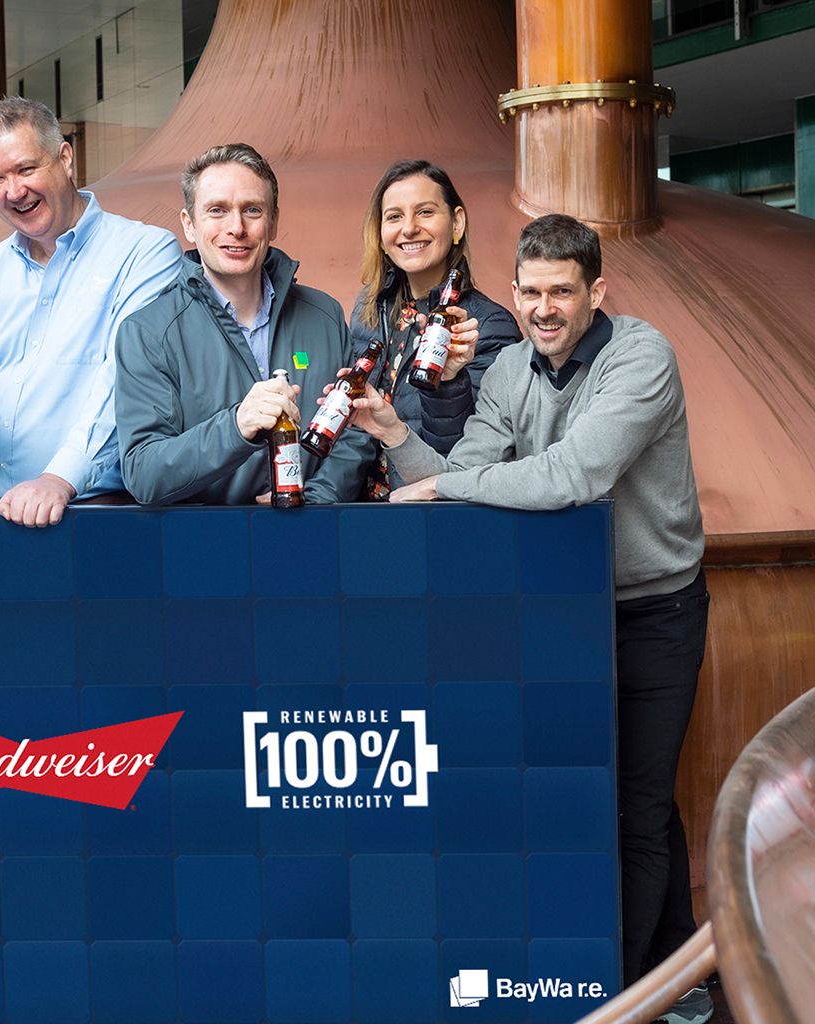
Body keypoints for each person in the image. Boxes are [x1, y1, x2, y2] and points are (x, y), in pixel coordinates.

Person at [351, 213, 711, 1024]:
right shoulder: (510, 367)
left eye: (562, 292)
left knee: (635, 804)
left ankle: (621, 1000)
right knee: (617, 795)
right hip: (562, 612)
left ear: (596, 292)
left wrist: (446, 487)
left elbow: (573, 476)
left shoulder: (641, 356)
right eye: (532, 292)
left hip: (654, 608)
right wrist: (397, 435)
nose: (545, 308)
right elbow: (466, 476)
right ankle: (677, 974)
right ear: (512, 294)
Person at [0, 96, 182, 527]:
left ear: (65, 158)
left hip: (102, 514)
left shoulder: (145, 252)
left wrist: (59, 479)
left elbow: (126, 385)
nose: (14, 191)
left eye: (26, 169)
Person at [113, 143, 377, 505]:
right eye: (217, 210)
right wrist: (236, 426)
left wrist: (316, 497)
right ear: (189, 224)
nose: (236, 228)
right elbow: (144, 474)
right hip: (212, 536)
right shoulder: (148, 333)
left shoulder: (324, 315)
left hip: (316, 529)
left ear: (274, 221)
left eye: (252, 210)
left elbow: (356, 430)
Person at [350, 159, 520, 497]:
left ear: (457, 223)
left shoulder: (488, 327)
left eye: (425, 212)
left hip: (427, 508)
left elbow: (465, 461)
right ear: (381, 235)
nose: (409, 228)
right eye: (394, 216)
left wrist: (447, 384)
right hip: (360, 508)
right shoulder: (369, 308)